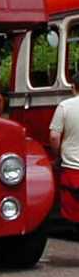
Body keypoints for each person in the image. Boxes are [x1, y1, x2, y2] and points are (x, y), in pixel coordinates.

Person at [49, 71, 79, 222]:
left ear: (73, 87)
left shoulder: (64, 106)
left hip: (71, 170)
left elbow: (54, 136)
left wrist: (57, 156)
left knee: (73, 216)